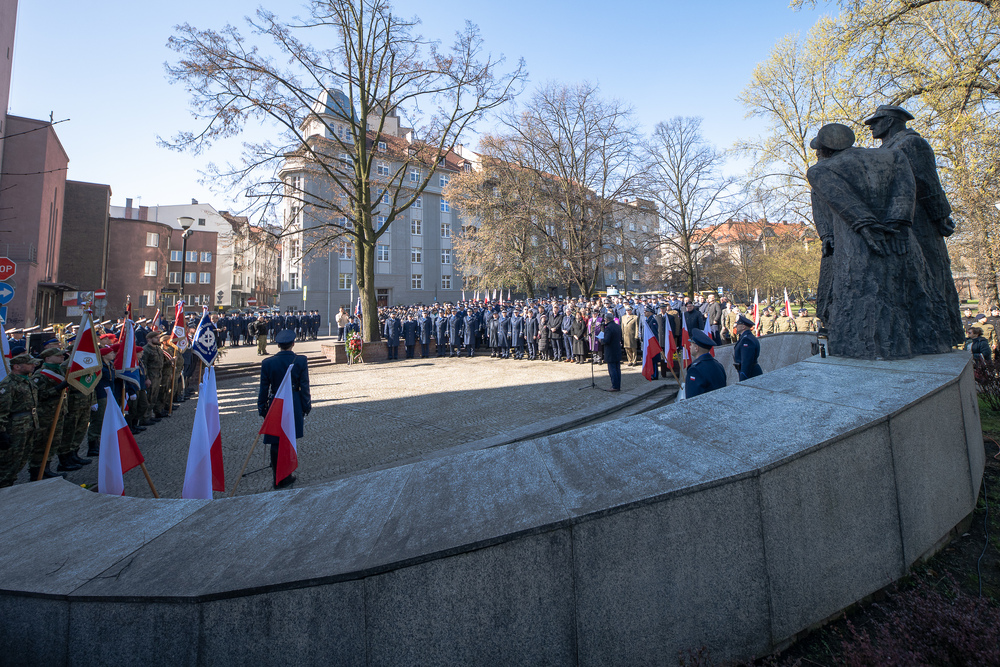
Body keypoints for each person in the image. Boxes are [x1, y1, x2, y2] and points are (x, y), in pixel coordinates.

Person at [258, 329, 311, 489]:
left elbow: (263, 389)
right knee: (289, 438)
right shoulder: (300, 361)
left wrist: (262, 408)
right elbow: (304, 386)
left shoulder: (267, 363)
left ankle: (277, 477)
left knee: (276, 440)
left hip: (276, 402)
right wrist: (306, 405)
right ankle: (286, 475)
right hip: (293, 402)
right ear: (293, 343)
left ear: (278, 345)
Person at [0, 353, 40, 487]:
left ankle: (10, 484)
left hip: (28, 424)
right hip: (15, 428)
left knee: (22, 458)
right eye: (29, 364)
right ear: (17, 366)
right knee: (10, 461)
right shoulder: (8, 384)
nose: (33, 365)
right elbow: (2, 410)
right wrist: (2, 432)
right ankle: (4, 487)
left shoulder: (28, 380)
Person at [683, 329, 727, 399]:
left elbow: (692, 399)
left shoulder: (695, 370)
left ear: (696, 348)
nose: (689, 347)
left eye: (691, 344)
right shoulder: (719, 365)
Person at [733, 315, 763, 381]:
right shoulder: (745, 337)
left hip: (750, 373)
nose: (736, 326)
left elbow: (746, 361)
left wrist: (743, 377)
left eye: (738, 324)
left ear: (743, 327)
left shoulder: (746, 340)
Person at [602, 313, 623, 392]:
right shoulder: (618, 326)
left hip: (610, 351)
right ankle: (618, 385)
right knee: (617, 369)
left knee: (612, 369)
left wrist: (601, 340)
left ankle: (614, 386)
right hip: (617, 349)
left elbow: (607, 340)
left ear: (607, 319)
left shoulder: (608, 328)